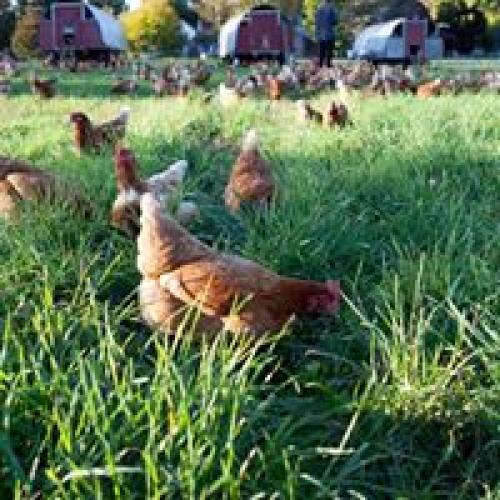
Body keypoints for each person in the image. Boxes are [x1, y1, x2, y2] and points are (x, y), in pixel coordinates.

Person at [315, 0, 338, 68]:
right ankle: (328, 66)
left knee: (321, 52)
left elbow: (316, 21)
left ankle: (321, 67)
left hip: (320, 34)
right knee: (329, 52)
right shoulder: (331, 8)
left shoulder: (319, 8)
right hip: (329, 34)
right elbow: (335, 21)